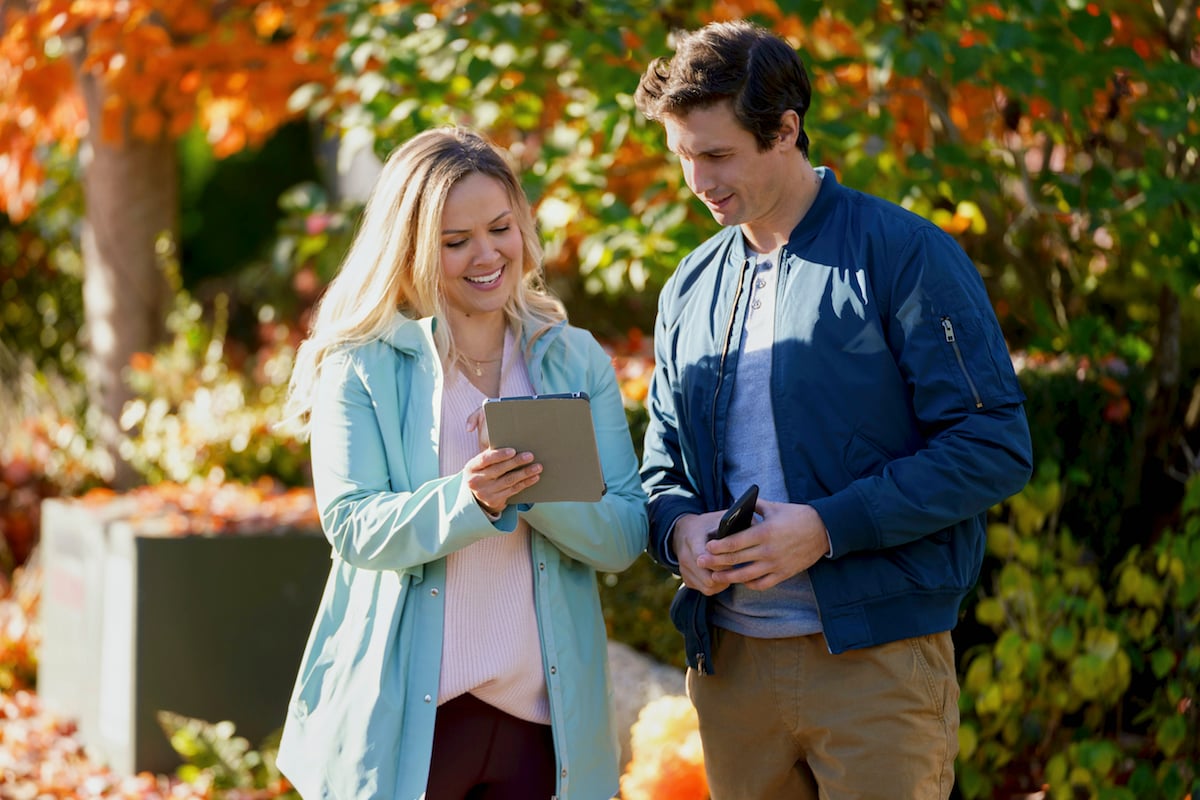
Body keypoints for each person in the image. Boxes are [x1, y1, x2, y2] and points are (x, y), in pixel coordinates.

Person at [634, 20, 1033, 800]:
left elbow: (993, 443)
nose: (698, 182)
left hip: (876, 663)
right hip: (730, 672)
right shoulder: (688, 284)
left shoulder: (906, 253)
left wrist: (826, 528)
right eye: (684, 157)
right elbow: (661, 463)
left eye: (717, 155)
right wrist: (677, 529)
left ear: (785, 130)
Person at [276, 126, 648, 800]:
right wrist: (470, 500)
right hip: (407, 727)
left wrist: (527, 486)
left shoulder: (574, 358)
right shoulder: (361, 361)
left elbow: (623, 534)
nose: (487, 255)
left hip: (544, 728)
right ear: (412, 247)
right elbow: (353, 525)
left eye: (500, 227)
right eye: (455, 242)